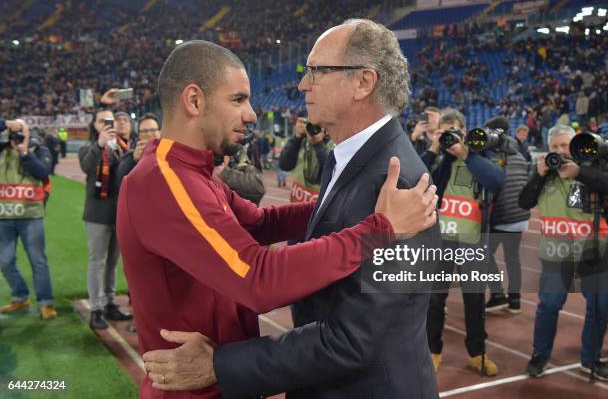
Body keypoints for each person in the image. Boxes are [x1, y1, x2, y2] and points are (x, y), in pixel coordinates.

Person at [140, 21, 440, 398]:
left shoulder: (399, 184)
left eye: (316, 71)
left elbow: (350, 340)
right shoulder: (354, 161)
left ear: (364, 82)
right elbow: (266, 251)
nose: (302, 84)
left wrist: (220, 366)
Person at [520, 124, 608, 381]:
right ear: (549, 148)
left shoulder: (593, 167)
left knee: (600, 306)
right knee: (548, 305)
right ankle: (540, 355)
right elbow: (524, 202)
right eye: (555, 146)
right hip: (555, 253)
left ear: (575, 145)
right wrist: (538, 175)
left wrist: (580, 172)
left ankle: (590, 358)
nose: (561, 151)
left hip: (595, 251)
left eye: (565, 145)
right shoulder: (543, 173)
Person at [421, 108, 506, 376]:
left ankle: (477, 352)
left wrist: (466, 154)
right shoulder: (438, 161)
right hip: (440, 242)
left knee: (475, 300)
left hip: (472, 243)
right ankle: (432, 350)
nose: (450, 138)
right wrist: (434, 149)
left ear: (464, 131)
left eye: (454, 131)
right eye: (444, 133)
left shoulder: (479, 155)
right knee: (434, 300)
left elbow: (497, 180)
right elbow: (413, 181)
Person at [79, 109, 133, 330]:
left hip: (119, 214)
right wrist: (100, 144)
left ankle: (110, 303)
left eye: (111, 121)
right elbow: (87, 167)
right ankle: (96, 309)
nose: (109, 124)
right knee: (97, 262)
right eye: (103, 121)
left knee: (112, 263)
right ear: (95, 125)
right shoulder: (89, 148)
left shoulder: (124, 148)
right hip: (97, 214)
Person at [0, 118, 57, 319]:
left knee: (38, 261)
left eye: (22, 129)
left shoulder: (38, 150)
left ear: (29, 131)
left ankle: (46, 303)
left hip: (30, 216)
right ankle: (21, 295)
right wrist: (6, 124)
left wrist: (24, 152)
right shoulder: (3, 148)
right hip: (4, 216)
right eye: (15, 131)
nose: (18, 134)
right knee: (4, 261)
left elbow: (43, 171)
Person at [482, 116, 530, 314]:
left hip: (503, 215)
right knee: (513, 258)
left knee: (482, 255)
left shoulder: (494, 155)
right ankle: (515, 300)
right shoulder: (517, 152)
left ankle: (497, 294)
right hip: (521, 216)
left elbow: (493, 188)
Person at [279, 117, 331, 203]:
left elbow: (333, 169)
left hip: (319, 210)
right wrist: (297, 138)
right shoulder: (303, 139)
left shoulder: (337, 142)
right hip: (296, 206)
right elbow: (284, 165)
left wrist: (318, 144)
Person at [116, 113, 161, 186]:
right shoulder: (131, 156)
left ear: (159, 132)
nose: (149, 134)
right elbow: (121, 180)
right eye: (144, 131)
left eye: (153, 130)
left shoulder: (170, 152)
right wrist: (133, 160)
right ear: (139, 135)